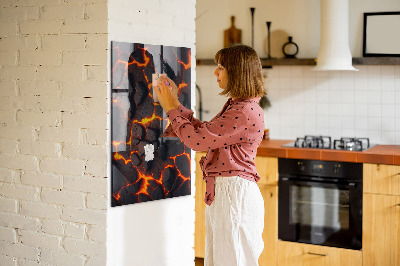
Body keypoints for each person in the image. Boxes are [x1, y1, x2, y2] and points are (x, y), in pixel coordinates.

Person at [154, 44, 266, 266]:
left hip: (234, 195)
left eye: (221, 67)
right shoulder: (238, 106)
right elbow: (204, 133)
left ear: (237, 71)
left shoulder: (243, 111)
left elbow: (197, 141)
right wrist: (175, 103)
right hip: (229, 193)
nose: (215, 72)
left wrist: (169, 108)